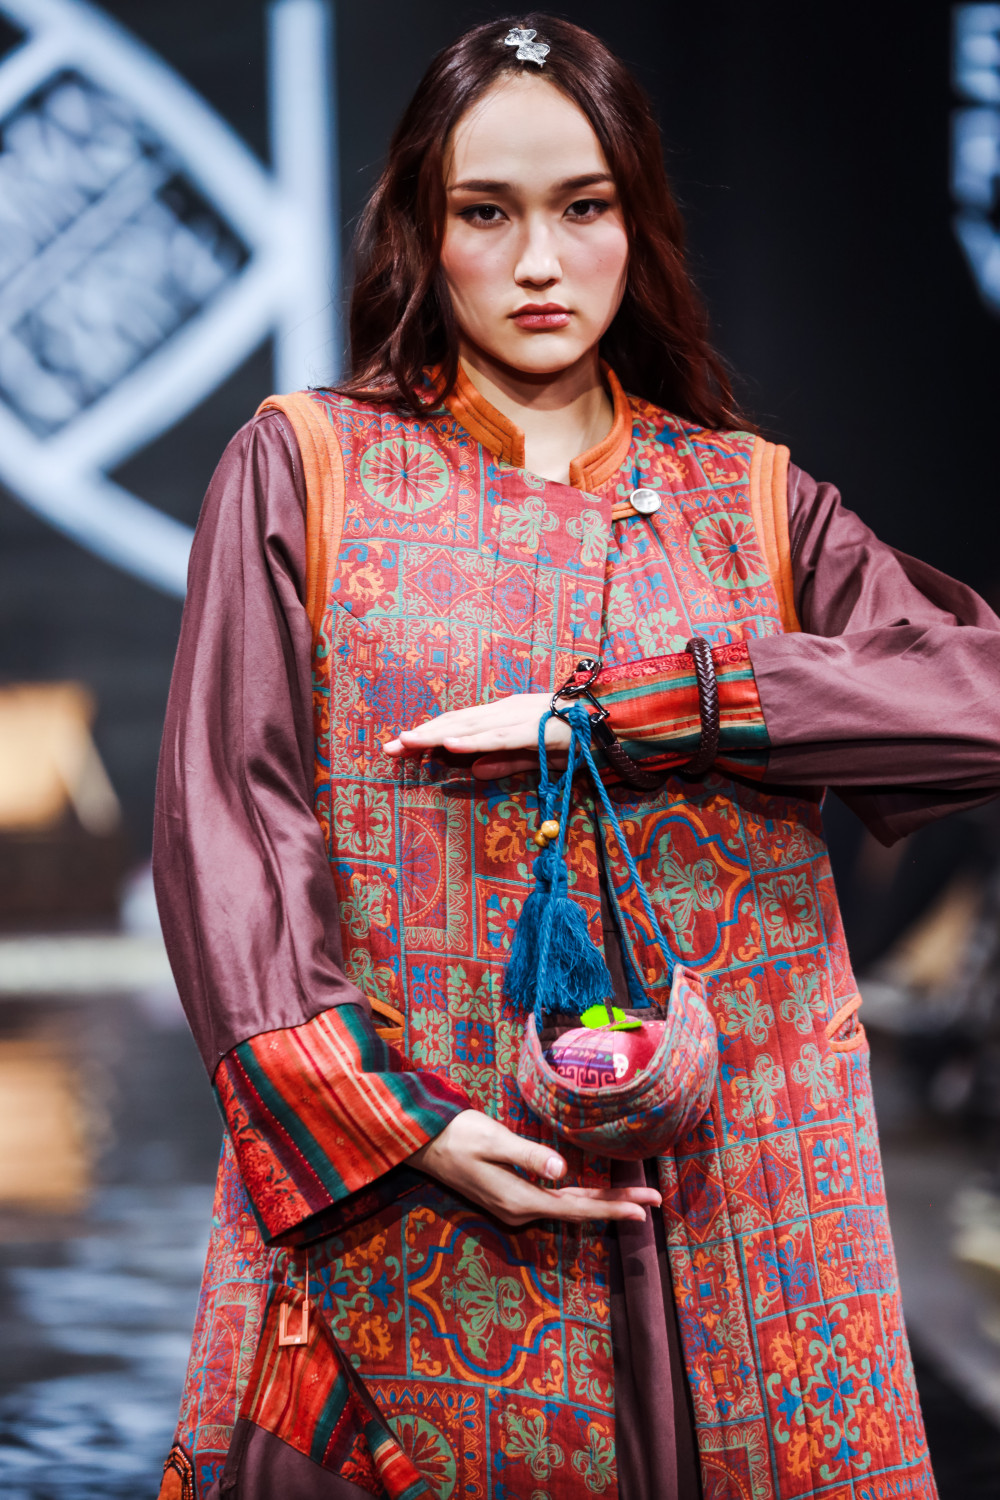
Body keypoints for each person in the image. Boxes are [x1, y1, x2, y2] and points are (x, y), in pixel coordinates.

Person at [153, 15, 1000, 1500]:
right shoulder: (308, 467)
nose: (539, 262)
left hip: (748, 1204)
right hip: (428, 1184)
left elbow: (974, 695)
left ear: (638, 222)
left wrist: (654, 708)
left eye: (584, 207)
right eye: (487, 213)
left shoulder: (750, 501)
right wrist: (401, 1129)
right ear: (423, 232)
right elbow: (234, 818)